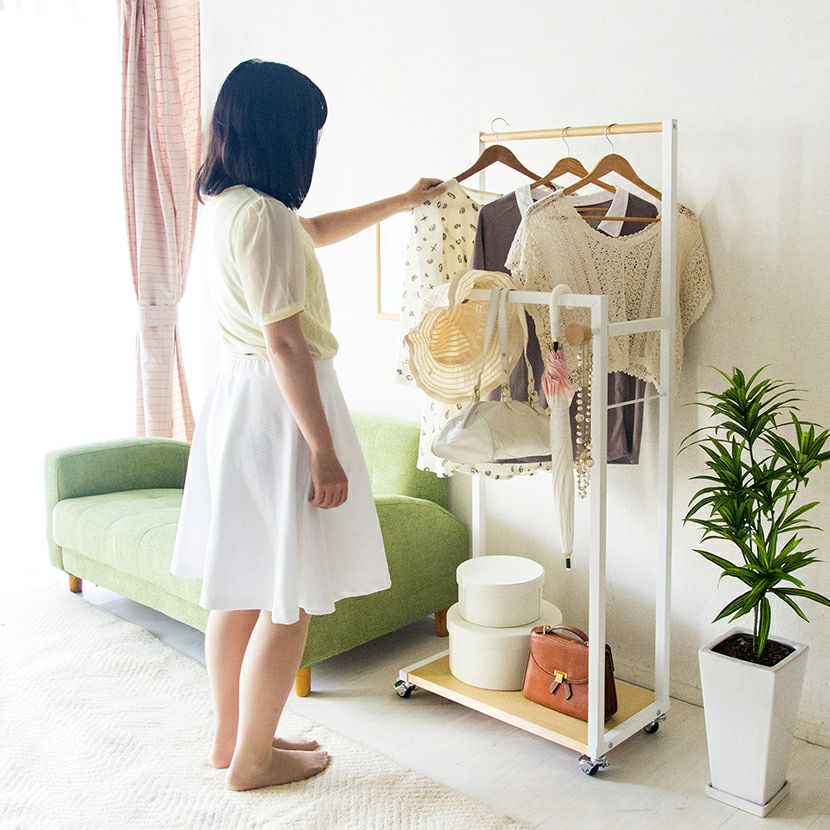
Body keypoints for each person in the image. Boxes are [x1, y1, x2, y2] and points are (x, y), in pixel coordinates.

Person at [169, 58, 446, 791]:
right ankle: (254, 760)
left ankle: (233, 742)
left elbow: (312, 231)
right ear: (282, 134)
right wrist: (324, 450)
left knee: (241, 588)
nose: (314, 147)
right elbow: (286, 342)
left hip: (242, 402)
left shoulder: (232, 205)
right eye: (310, 132)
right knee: (287, 600)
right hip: (279, 409)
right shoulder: (262, 215)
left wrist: (400, 202)